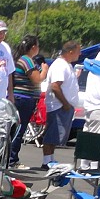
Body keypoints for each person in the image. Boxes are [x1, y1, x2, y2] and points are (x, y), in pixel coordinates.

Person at [42, 40, 82, 169]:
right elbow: (55, 86)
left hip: (63, 106)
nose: (79, 54)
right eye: (78, 51)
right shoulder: (60, 65)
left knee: (56, 135)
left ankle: (50, 159)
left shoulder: (67, 65)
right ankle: (46, 161)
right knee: (52, 134)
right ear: (70, 52)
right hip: (58, 106)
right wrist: (65, 103)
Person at [8, 35, 45, 166]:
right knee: (19, 130)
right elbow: (37, 79)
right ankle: (12, 159)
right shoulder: (27, 60)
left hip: (21, 98)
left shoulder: (20, 59)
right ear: (33, 47)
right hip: (24, 99)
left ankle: (10, 157)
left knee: (16, 129)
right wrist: (44, 70)